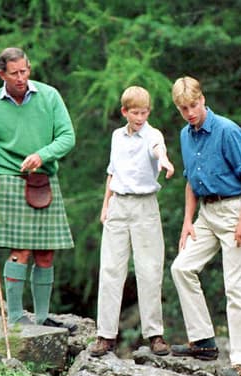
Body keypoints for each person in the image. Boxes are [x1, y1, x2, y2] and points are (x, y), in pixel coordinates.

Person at [0, 47, 75, 328]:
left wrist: (43, 154)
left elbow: (67, 136)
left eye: (24, 71)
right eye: (14, 73)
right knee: (21, 250)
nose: (21, 78)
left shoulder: (49, 97)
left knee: (46, 252)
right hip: (9, 182)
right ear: (2, 74)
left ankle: (41, 318)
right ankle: (15, 317)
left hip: (44, 181)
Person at [169, 76, 241, 376]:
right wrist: (187, 221)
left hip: (235, 209)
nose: (190, 112)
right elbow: (191, 180)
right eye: (183, 108)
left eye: (193, 105)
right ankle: (203, 341)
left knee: (235, 286)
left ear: (203, 99)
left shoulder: (227, 130)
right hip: (206, 212)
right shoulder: (185, 135)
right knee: (181, 267)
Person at [89, 86, 175, 357]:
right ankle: (105, 335)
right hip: (118, 205)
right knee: (111, 269)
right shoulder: (117, 136)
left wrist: (164, 161)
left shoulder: (153, 134)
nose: (140, 117)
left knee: (149, 269)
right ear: (124, 112)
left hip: (144, 206)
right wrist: (106, 206)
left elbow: (158, 149)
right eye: (135, 113)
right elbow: (112, 173)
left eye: (144, 112)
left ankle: (155, 334)